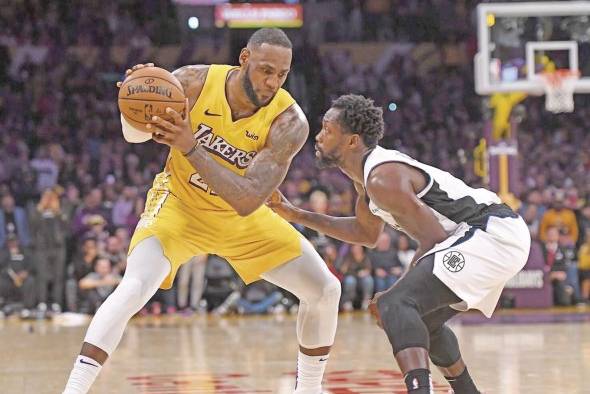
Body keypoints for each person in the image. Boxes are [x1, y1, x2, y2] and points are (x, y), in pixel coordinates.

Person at [63, 28, 340, 394]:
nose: (272, 81)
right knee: (133, 288)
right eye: (265, 70)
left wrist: (192, 147)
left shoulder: (289, 122)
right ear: (244, 59)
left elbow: (246, 200)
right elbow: (134, 136)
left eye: (281, 74)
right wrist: (135, 98)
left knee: (325, 290)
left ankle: (308, 390)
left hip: (242, 218)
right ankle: (74, 390)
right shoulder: (192, 82)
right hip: (179, 207)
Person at [268, 94, 531, 394]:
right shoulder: (366, 181)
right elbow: (365, 234)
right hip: (486, 236)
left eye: (328, 129)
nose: (319, 135)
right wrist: (295, 214)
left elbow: (434, 239)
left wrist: (393, 295)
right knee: (424, 323)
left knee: (397, 305)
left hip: (491, 232)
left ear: (353, 141)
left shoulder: (383, 178)